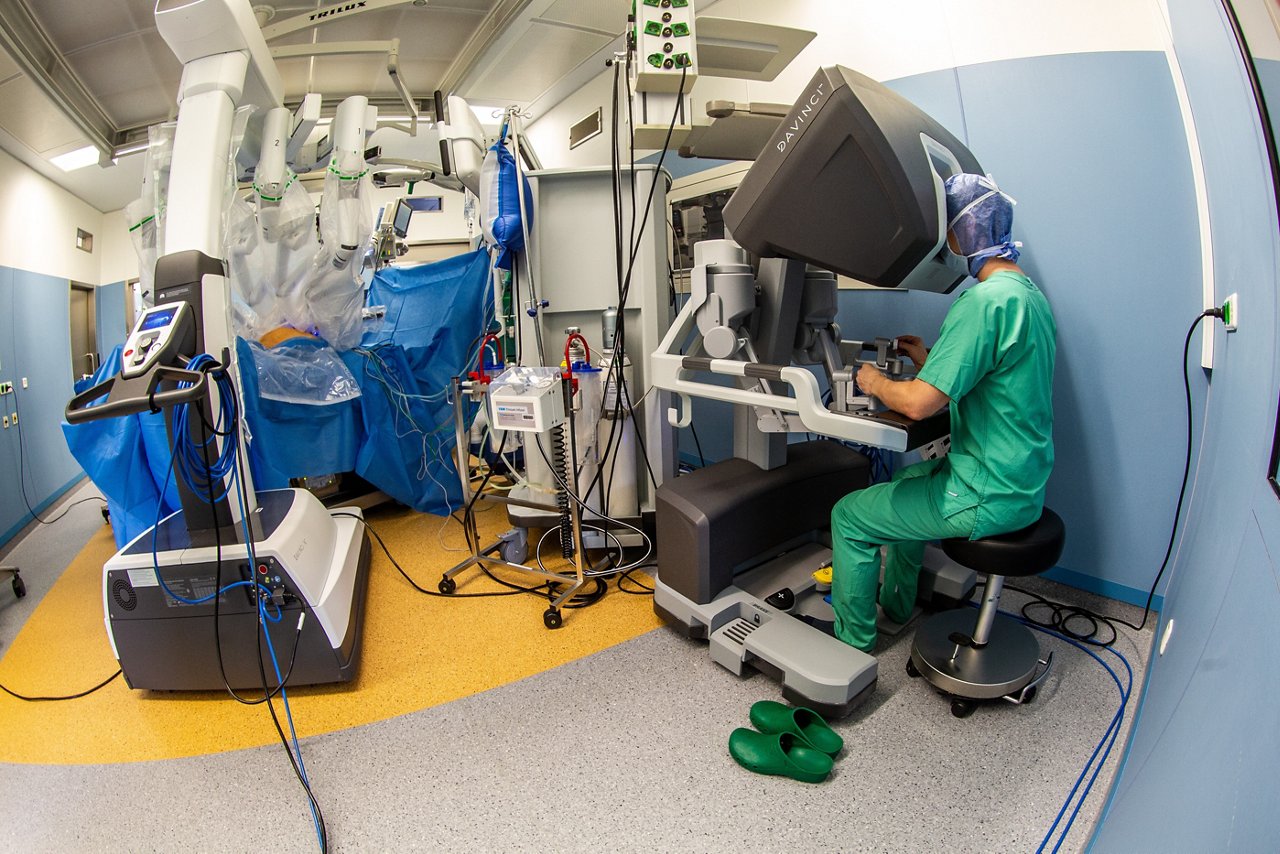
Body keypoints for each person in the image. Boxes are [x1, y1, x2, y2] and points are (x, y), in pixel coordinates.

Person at [829, 173, 1057, 654]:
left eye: (947, 231)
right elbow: (995, 377)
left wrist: (873, 381)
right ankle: (897, 605)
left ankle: (850, 646)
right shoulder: (1027, 297)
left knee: (849, 515)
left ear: (961, 233)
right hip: (1020, 483)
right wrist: (927, 362)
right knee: (906, 485)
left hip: (982, 494)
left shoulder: (983, 302)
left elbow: (916, 403)